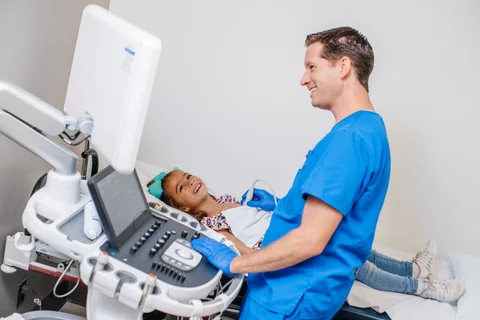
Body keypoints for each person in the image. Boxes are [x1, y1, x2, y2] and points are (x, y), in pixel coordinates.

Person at [148, 169, 465, 303]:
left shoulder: (232, 198)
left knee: (346, 237)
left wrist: (274, 205)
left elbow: (265, 214)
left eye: (188, 176)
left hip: (290, 232)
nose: (191, 183)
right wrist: (254, 248)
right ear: (180, 206)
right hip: (279, 252)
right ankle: (421, 288)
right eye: (181, 188)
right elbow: (244, 253)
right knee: (348, 261)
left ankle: (410, 268)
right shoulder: (214, 225)